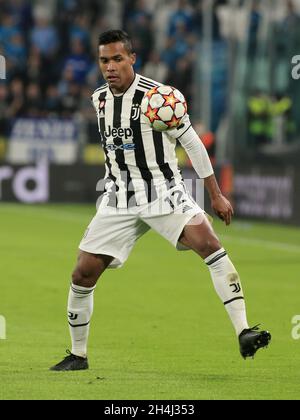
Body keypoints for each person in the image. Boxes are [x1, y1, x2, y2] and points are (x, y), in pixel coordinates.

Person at [50, 30, 271, 371]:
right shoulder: (100, 100)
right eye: (104, 60)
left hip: (162, 192)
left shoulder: (158, 100)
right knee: (82, 274)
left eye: (117, 59)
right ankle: (78, 355)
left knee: (208, 243)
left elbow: (194, 145)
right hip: (119, 197)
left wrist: (215, 194)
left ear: (132, 59)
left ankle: (243, 329)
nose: (110, 67)